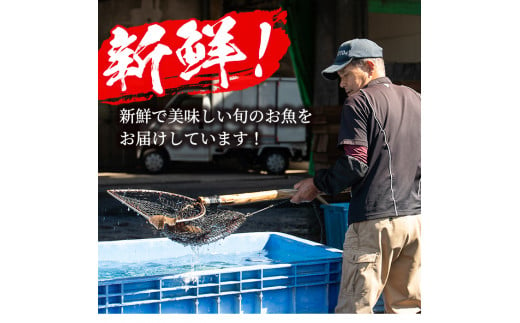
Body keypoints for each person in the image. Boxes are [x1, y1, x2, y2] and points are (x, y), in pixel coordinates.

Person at [290, 38, 421, 314]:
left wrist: (317, 183)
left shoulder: (359, 102)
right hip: (416, 222)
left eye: (346, 75)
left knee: (354, 309)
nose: (342, 84)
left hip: (374, 224)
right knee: (406, 308)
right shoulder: (416, 99)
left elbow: (354, 164)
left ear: (370, 66)